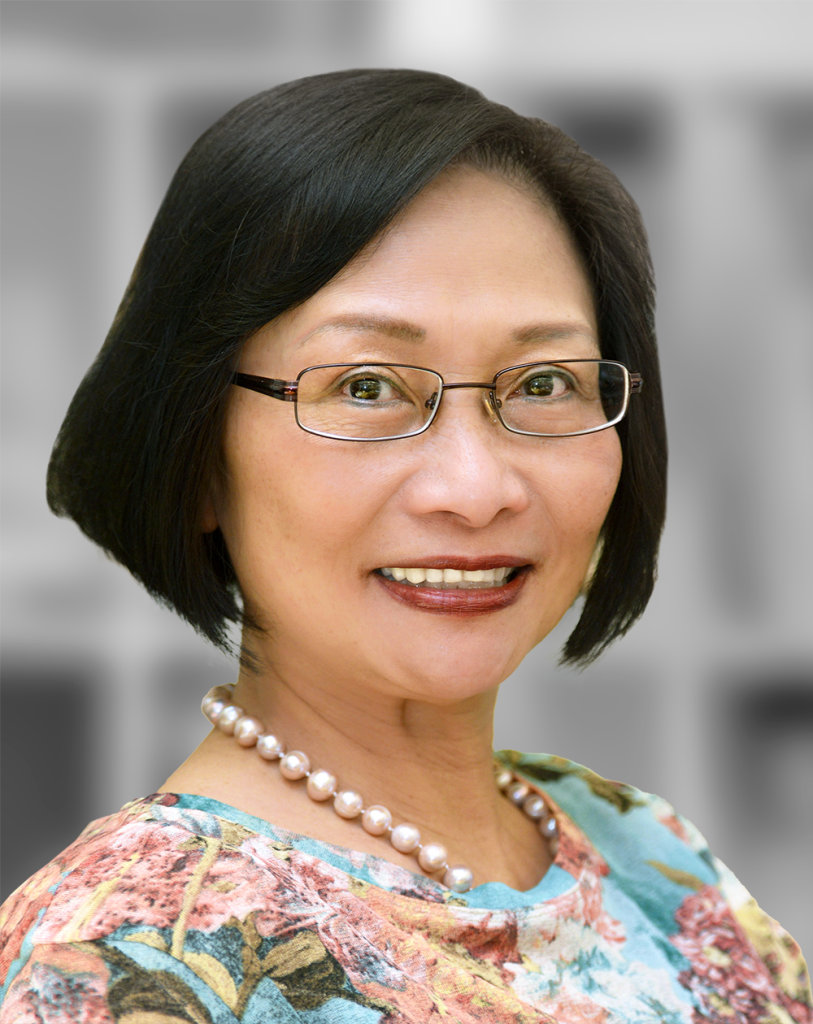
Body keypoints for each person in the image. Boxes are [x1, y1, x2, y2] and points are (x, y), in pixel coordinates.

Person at [0, 68, 808, 1024]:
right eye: (367, 388)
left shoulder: (650, 852)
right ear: (199, 454)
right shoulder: (126, 958)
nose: (475, 490)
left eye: (543, 384)